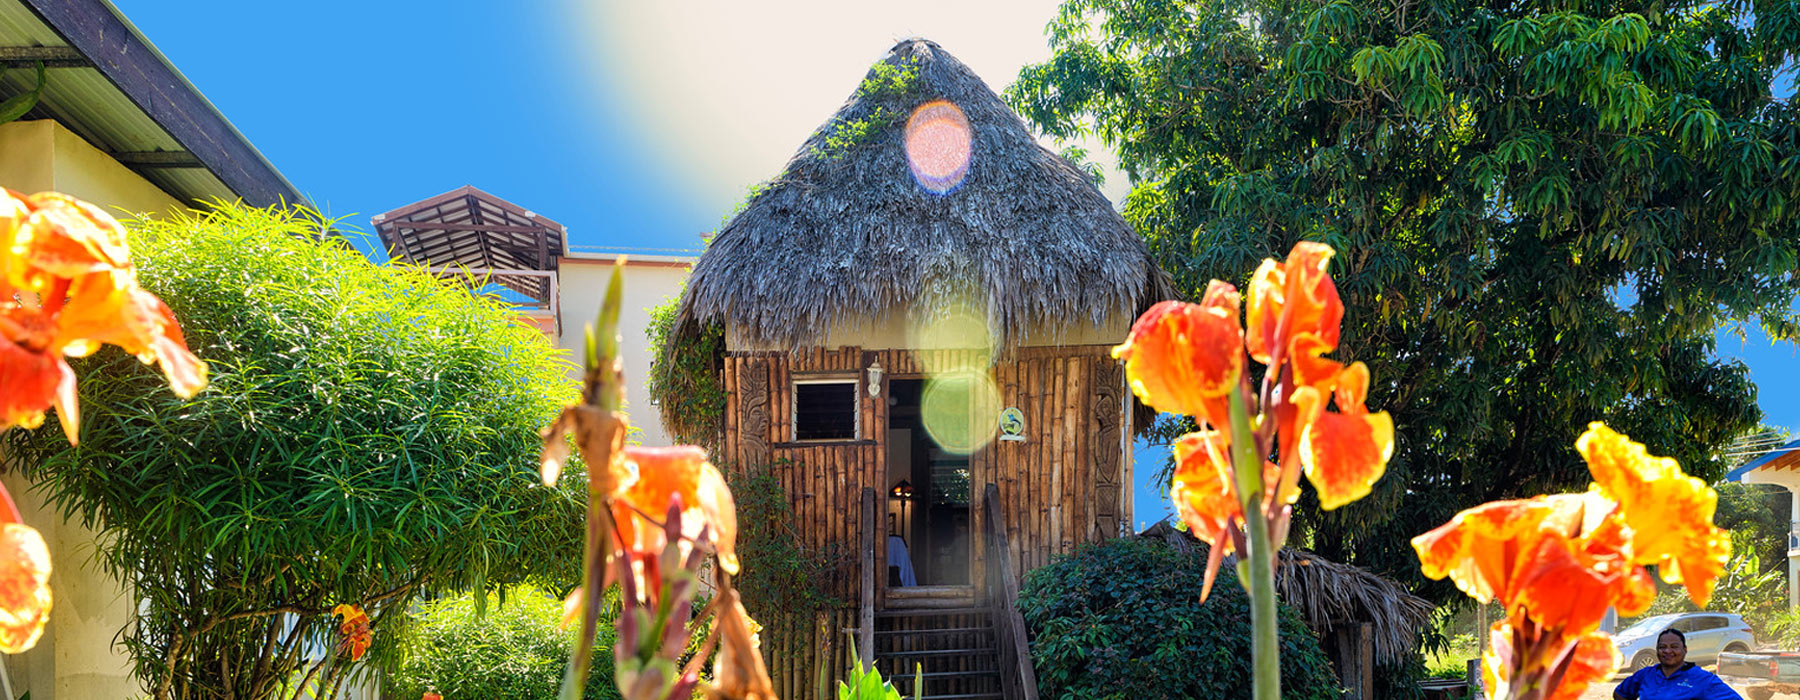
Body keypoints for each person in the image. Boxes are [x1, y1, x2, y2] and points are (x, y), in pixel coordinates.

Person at [1614, 628, 1743, 700]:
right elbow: (1619, 693)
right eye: (1662, 647)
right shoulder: (1645, 675)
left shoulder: (1703, 679)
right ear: (1657, 650)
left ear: (1684, 650)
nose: (1668, 651)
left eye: (1674, 646)